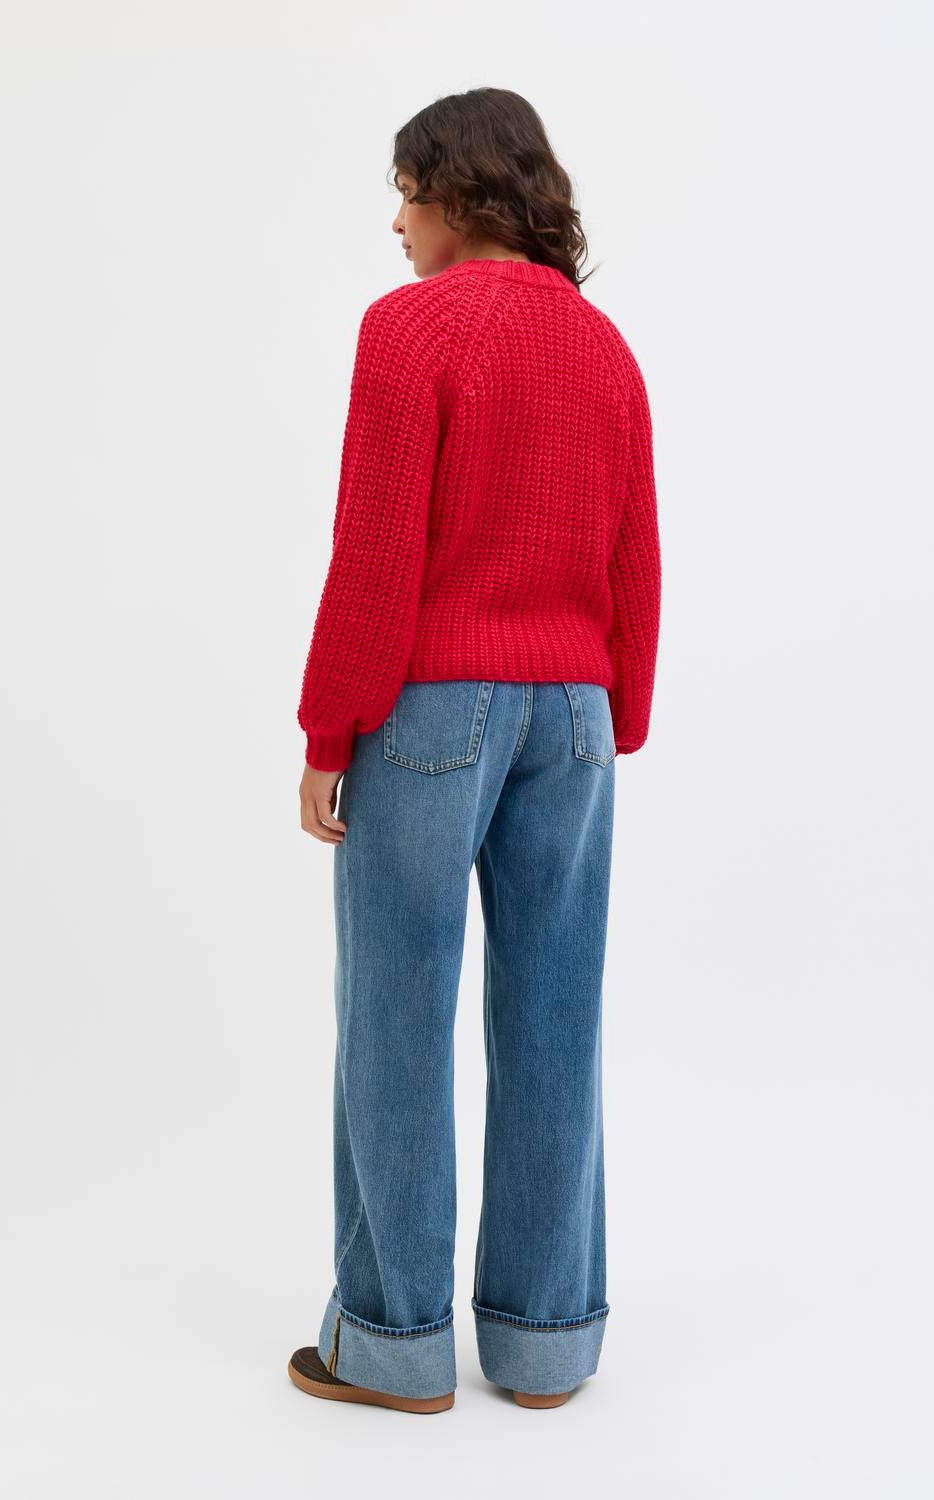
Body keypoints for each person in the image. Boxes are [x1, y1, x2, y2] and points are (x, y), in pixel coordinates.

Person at [287, 86, 661, 1414]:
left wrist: (330, 727)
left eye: (406, 195)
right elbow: (633, 549)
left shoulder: (409, 331)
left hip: (434, 710)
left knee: (396, 1014)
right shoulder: (604, 348)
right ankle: (545, 1344)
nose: (396, 225)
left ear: (458, 194)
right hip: (573, 714)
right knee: (556, 1014)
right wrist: (617, 715)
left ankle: (393, 1345)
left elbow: (376, 553)